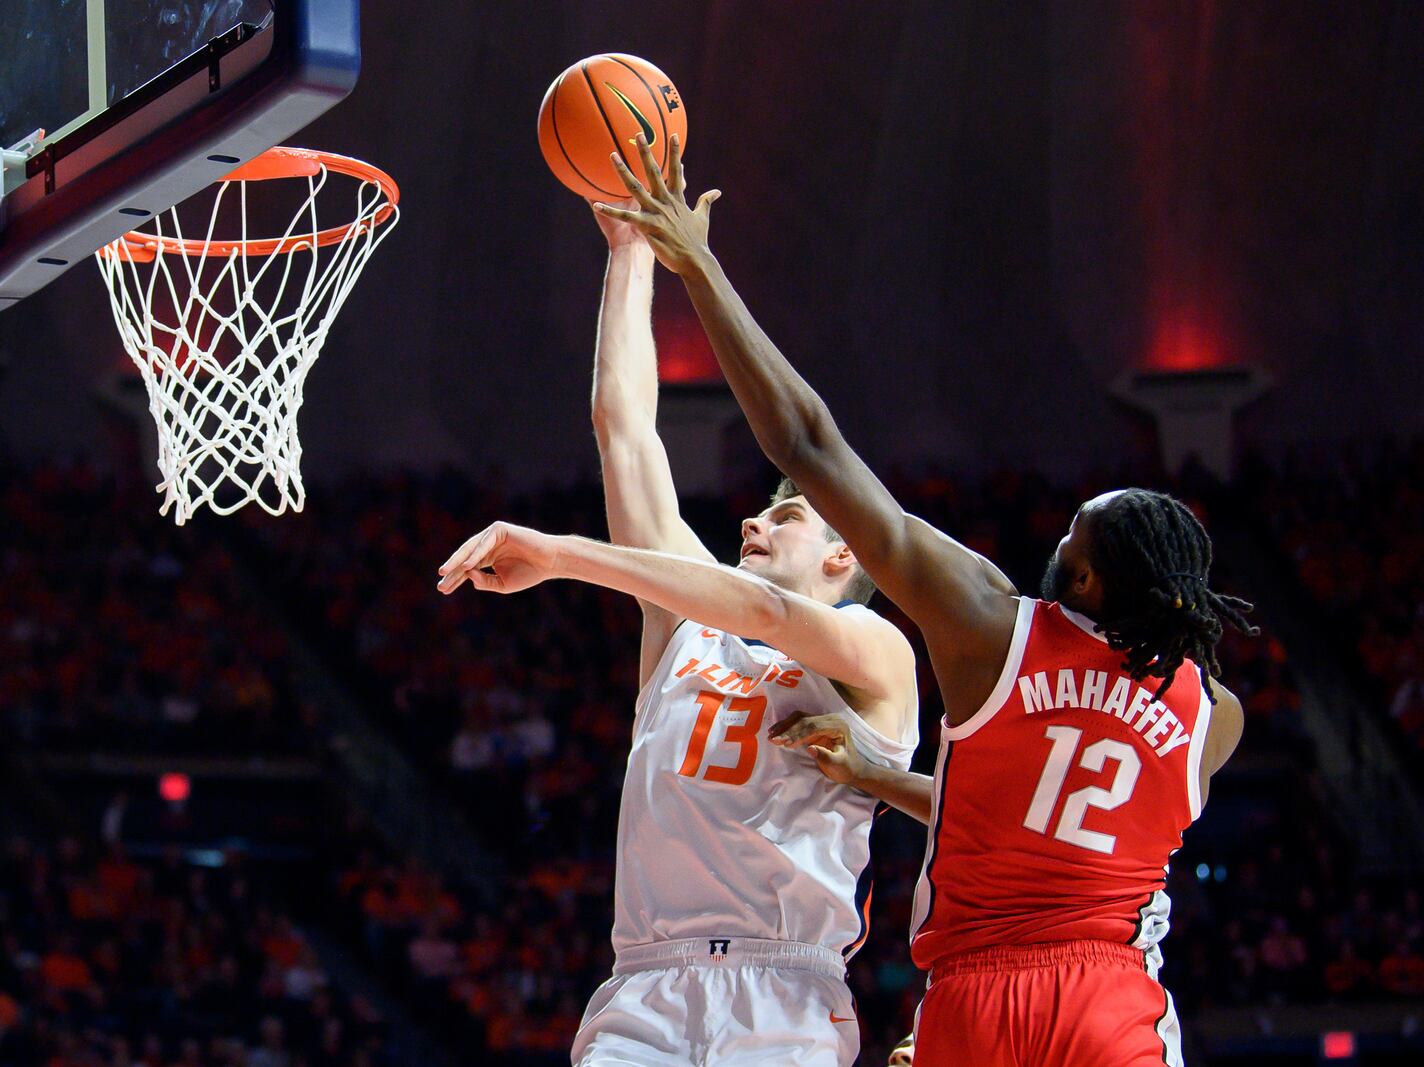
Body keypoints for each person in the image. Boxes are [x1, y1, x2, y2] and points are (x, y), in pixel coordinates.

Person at [597, 133, 1257, 1066]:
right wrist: (876, 779)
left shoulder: (991, 629)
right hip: (1111, 991)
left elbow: (808, 444)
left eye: (1075, 534)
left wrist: (695, 260)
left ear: (1089, 578)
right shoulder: (1211, 716)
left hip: (974, 994)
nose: (1057, 538)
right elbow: (1049, 813)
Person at [436, 197, 922, 1066]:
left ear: (845, 553)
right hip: (646, 985)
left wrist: (563, 552)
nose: (754, 526)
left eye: (788, 519)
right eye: (757, 517)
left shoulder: (876, 654)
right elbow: (624, 432)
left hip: (783, 990)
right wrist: (629, 252)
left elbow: (771, 615)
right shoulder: (687, 625)